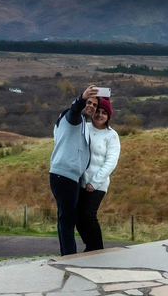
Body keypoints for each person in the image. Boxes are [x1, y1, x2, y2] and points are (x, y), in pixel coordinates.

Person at [49, 84, 99, 256]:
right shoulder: (72, 119)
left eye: (94, 105)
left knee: (69, 217)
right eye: (89, 103)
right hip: (63, 175)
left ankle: (69, 254)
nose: (91, 106)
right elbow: (75, 109)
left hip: (71, 177)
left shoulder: (83, 125)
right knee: (67, 218)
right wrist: (81, 98)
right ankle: (69, 256)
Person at [76, 95, 121, 251]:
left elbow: (111, 162)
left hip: (97, 184)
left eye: (104, 112)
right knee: (77, 217)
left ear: (108, 116)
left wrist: (94, 182)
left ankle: (97, 248)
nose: (100, 115)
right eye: (98, 111)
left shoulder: (111, 135)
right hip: (80, 181)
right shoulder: (85, 127)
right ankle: (91, 247)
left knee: (88, 215)